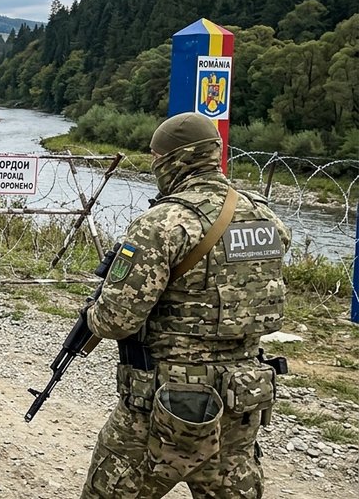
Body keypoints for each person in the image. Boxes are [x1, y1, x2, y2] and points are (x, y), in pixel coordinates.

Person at [80, 112, 290, 498]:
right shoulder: (266, 217)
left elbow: (114, 320)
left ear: (170, 161)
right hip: (242, 399)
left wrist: (92, 313)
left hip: (164, 405)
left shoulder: (161, 223)